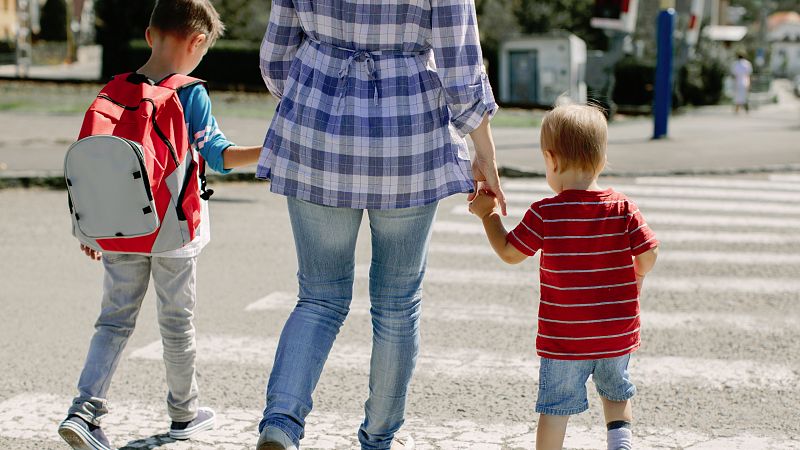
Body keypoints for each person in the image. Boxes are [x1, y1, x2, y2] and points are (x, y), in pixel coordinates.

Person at [254, 0, 504, 449]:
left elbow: (275, 57)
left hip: (318, 135)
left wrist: (319, 96)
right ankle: (378, 439)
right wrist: (482, 150)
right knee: (396, 306)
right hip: (407, 139)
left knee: (318, 298)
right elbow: (459, 60)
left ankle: (281, 425)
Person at [57, 2, 262, 449]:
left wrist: (91, 231)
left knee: (112, 322)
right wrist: (271, 151)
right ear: (199, 42)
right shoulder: (189, 93)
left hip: (119, 228)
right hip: (174, 232)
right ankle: (184, 414)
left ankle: (84, 410)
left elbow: (92, 165)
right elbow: (219, 157)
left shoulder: (112, 90)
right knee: (177, 323)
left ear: (149, 35)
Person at [468, 104, 659, 450]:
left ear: (551, 160)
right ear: (601, 159)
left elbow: (510, 253)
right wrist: (637, 274)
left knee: (555, 408)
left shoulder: (546, 213)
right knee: (616, 394)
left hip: (565, 340)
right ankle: (620, 444)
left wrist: (489, 215)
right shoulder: (623, 209)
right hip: (616, 333)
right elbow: (649, 254)